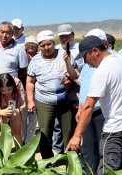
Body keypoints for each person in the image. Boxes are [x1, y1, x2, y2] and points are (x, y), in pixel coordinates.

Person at [66, 36, 122, 175]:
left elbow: (88, 106)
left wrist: (76, 136)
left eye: (85, 57)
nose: (85, 62)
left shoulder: (102, 70)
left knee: (107, 171)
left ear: (95, 51)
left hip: (116, 130)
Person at [26, 30, 74, 159]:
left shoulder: (64, 55)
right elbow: (30, 82)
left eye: (49, 44)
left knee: (68, 131)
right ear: (39, 47)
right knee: (44, 132)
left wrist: (70, 80)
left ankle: (71, 160)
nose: (46, 48)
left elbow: (74, 75)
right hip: (44, 101)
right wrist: (30, 101)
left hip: (65, 99)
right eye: (42, 45)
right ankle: (47, 161)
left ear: (54, 43)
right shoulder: (35, 61)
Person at [52, 24, 82, 155]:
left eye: (67, 36)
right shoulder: (56, 49)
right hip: (60, 90)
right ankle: (57, 150)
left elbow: (82, 70)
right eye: (61, 37)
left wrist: (72, 79)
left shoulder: (79, 48)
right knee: (58, 122)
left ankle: (74, 150)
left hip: (77, 90)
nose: (64, 39)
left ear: (73, 35)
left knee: (75, 120)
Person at [0, 73, 25, 144]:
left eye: (9, 89)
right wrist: (3, 112)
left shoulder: (18, 84)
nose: (7, 92)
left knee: (17, 131)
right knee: (0, 129)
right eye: (3, 90)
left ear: (13, 86)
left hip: (14, 102)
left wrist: (16, 111)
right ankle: (0, 153)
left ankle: (19, 152)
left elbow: (23, 105)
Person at [23, 35, 38, 143]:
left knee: (33, 117)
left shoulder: (40, 57)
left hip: (36, 91)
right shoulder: (22, 56)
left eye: (33, 44)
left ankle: (29, 140)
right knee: (23, 116)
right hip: (22, 91)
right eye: (29, 44)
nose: (31, 46)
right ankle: (22, 138)